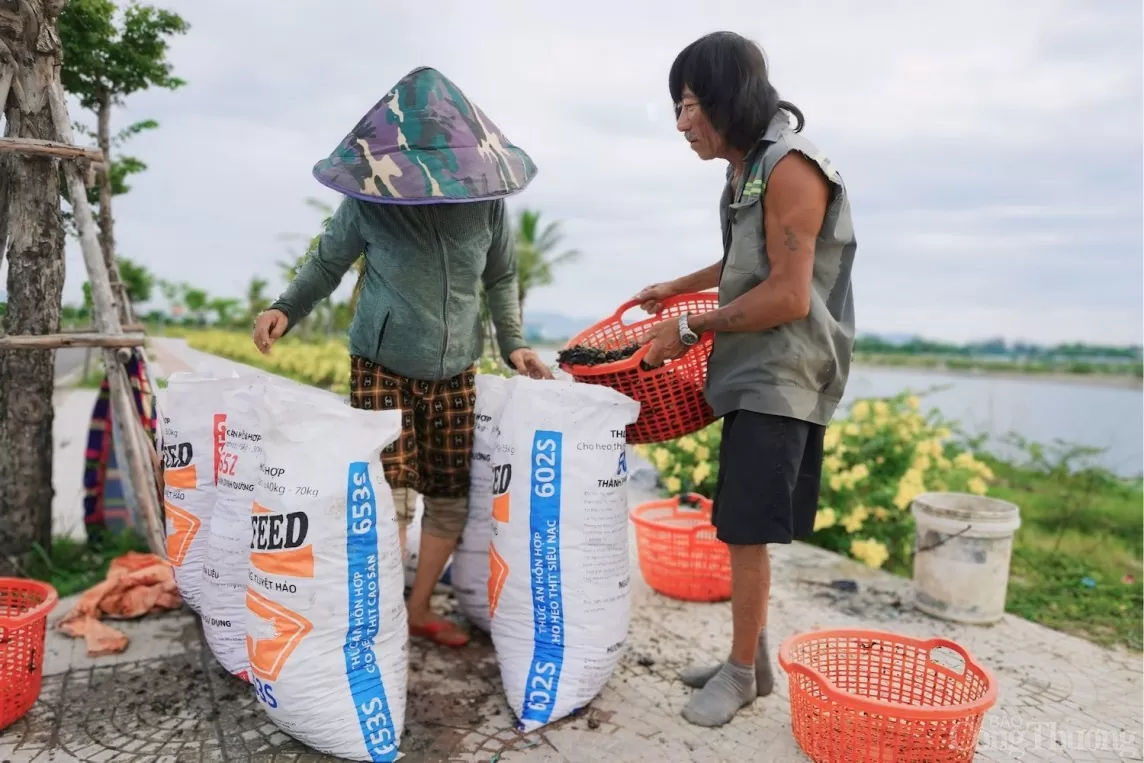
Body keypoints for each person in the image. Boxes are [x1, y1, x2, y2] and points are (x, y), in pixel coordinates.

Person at [253, 66, 553, 649]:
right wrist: (284, 309)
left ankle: (415, 609)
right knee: (387, 499)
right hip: (380, 363)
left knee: (447, 498)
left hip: (456, 368)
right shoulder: (370, 202)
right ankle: (381, 618)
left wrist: (513, 341)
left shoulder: (486, 204)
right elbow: (325, 264)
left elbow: (501, 277)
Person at [636, 32, 857, 727]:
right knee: (740, 521)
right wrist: (678, 286)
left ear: (730, 99)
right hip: (751, 367)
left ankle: (739, 673)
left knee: (744, 529)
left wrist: (689, 328)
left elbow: (790, 294)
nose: (682, 124)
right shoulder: (747, 169)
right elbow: (743, 259)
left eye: (692, 105)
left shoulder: (792, 168)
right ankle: (751, 661)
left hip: (785, 370)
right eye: (678, 107)